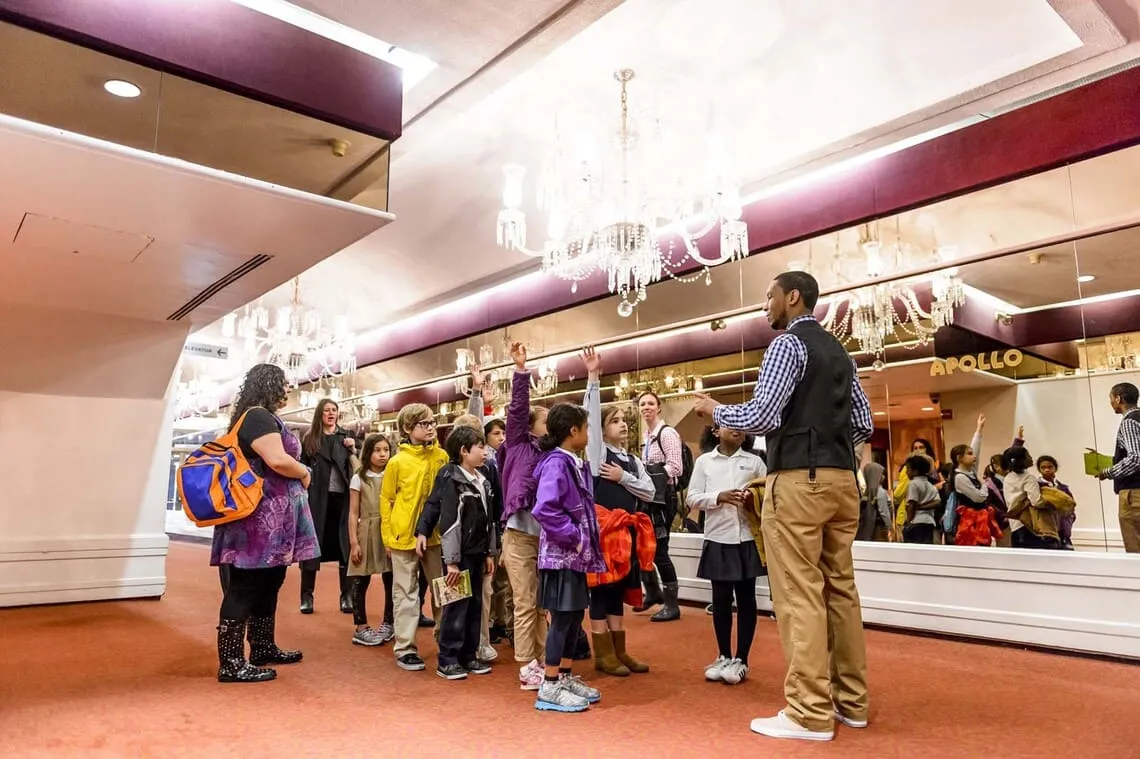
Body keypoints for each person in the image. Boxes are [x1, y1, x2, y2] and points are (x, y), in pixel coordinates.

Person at [693, 270, 871, 743]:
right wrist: (829, 448)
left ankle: (810, 712)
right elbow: (863, 422)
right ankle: (851, 703)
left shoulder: (786, 346)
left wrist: (715, 411)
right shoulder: (840, 351)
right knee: (841, 591)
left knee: (798, 594)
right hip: (841, 480)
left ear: (792, 297)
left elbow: (762, 415)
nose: (765, 305)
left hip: (798, 480)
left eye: (768, 296)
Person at [211, 363, 319, 683]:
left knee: (270, 582)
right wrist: (304, 472)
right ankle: (230, 662)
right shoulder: (257, 416)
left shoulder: (263, 417)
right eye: (283, 384)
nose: (288, 389)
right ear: (268, 384)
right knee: (245, 587)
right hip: (258, 520)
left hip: (274, 519)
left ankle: (261, 646)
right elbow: (276, 460)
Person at [581, 346, 654, 677]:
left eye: (625, 420)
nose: (623, 424)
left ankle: (619, 651)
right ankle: (603, 652)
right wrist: (593, 377)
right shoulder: (596, 455)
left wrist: (623, 477)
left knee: (618, 589)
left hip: (626, 533)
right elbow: (591, 422)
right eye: (615, 420)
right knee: (601, 589)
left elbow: (650, 491)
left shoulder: (633, 460)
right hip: (602, 533)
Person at [530, 403, 607, 713]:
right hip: (561, 556)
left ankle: (563, 674)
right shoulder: (556, 464)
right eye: (586, 428)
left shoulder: (574, 463)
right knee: (562, 619)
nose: (589, 434)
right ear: (573, 431)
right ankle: (549, 684)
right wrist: (575, 537)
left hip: (574, 557)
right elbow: (544, 508)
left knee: (574, 617)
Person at [686, 424, 767, 686]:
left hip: (746, 538)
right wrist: (718, 497)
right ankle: (723, 655)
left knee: (746, 599)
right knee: (720, 600)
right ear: (715, 431)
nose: (736, 430)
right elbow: (692, 498)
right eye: (730, 425)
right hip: (717, 537)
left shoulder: (755, 462)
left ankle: (741, 660)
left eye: (741, 426)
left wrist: (752, 499)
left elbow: (769, 495)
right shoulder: (704, 462)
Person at [380, 403, 449, 672]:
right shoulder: (396, 462)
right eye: (424, 424)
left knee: (444, 590)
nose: (431, 427)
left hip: (437, 536)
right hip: (403, 536)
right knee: (405, 593)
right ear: (408, 429)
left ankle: (447, 638)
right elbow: (386, 500)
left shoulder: (441, 456)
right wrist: (387, 537)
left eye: (432, 422)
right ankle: (406, 647)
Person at [499, 342, 552, 690]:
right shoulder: (518, 443)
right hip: (518, 534)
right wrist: (521, 370)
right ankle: (526, 664)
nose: (551, 427)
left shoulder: (553, 454)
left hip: (543, 536)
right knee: (524, 600)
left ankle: (547, 659)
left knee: (541, 602)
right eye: (546, 422)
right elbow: (518, 410)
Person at [435, 426, 497, 680]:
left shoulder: (483, 481)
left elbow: (490, 520)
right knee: (456, 606)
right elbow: (450, 523)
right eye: (480, 447)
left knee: (474, 606)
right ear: (463, 451)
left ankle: (469, 655)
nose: (485, 452)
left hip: (478, 552)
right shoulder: (453, 481)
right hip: (458, 556)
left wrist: (491, 552)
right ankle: (447, 659)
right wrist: (451, 561)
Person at [299, 399, 357, 615]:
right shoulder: (310, 439)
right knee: (311, 548)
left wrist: (353, 449)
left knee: (345, 547)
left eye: (334, 410)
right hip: (316, 499)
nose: (331, 414)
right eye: (326, 411)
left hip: (342, 499)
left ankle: (347, 596)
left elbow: (358, 468)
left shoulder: (347, 436)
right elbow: (301, 469)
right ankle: (306, 597)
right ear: (319, 414)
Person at [637, 390, 683, 621]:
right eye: (643, 404)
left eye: (650, 403)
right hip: (650, 499)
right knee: (644, 546)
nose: (646, 407)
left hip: (663, 500)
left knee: (661, 551)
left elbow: (676, 467)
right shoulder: (648, 436)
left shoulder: (667, 434)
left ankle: (672, 604)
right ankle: (653, 592)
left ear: (659, 407)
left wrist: (648, 479)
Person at [346, 434, 394, 646]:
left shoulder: (392, 474)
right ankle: (361, 626)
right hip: (366, 528)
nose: (382, 454)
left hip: (389, 530)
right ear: (368, 453)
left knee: (390, 577)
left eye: (386, 449)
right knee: (360, 577)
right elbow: (353, 512)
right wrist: (354, 542)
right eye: (377, 450)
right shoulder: (359, 477)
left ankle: (388, 622)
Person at [1096, 382, 1140, 553]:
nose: (1111, 402)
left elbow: (1136, 458)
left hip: (1134, 494)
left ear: (1118, 398)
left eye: (1111, 398)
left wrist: (1108, 472)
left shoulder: (1129, 422)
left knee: (1135, 547)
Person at [901, 455, 940, 544]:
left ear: (915, 471)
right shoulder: (930, 485)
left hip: (916, 521)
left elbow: (912, 504)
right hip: (929, 521)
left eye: (908, 469)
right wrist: (923, 507)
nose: (906, 472)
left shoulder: (913, 484)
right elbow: (937, 502)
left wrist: (908, 523)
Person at [1036, 455, 1074, 550]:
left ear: (1055, 468)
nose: (1047, 470)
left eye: (1050, 467)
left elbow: (1071, 506)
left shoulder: (1063, 488)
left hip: (1063, 531)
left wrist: (1069, 521)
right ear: (1039, 469)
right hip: (1045, 531)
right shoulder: (1037, 487)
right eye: (1043, 467)